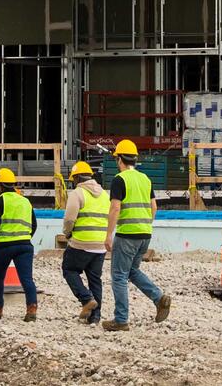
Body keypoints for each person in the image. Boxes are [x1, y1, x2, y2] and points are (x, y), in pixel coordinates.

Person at [103, 139, 169, 330]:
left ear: (119, 159)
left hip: (127, 235)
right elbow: (154, 206)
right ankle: (158, 297)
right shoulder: (145, 179)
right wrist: (146, 225)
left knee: (118, 275)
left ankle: (121, 320)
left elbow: (115, 208)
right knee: (132, 271)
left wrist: (108, 235)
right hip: (144, 234)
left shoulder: (119, 179)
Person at [0, 168, 38, 320]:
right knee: (27, 279)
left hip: (3, 246)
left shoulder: (0, 200)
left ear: (0, 186)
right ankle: (32, 309)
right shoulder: (25, 200)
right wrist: (25, 237)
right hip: (24, 245)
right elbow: (34, 224)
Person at [58, 160, 107, 322]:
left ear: (77, 178)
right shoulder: (104, 194)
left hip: (81, 242)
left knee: (69, 270)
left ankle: (86, 300)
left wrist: (67, 234)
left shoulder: (78, 194)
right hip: (100, 245)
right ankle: (95, 317)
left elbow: (69, 220)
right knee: (95, 279)